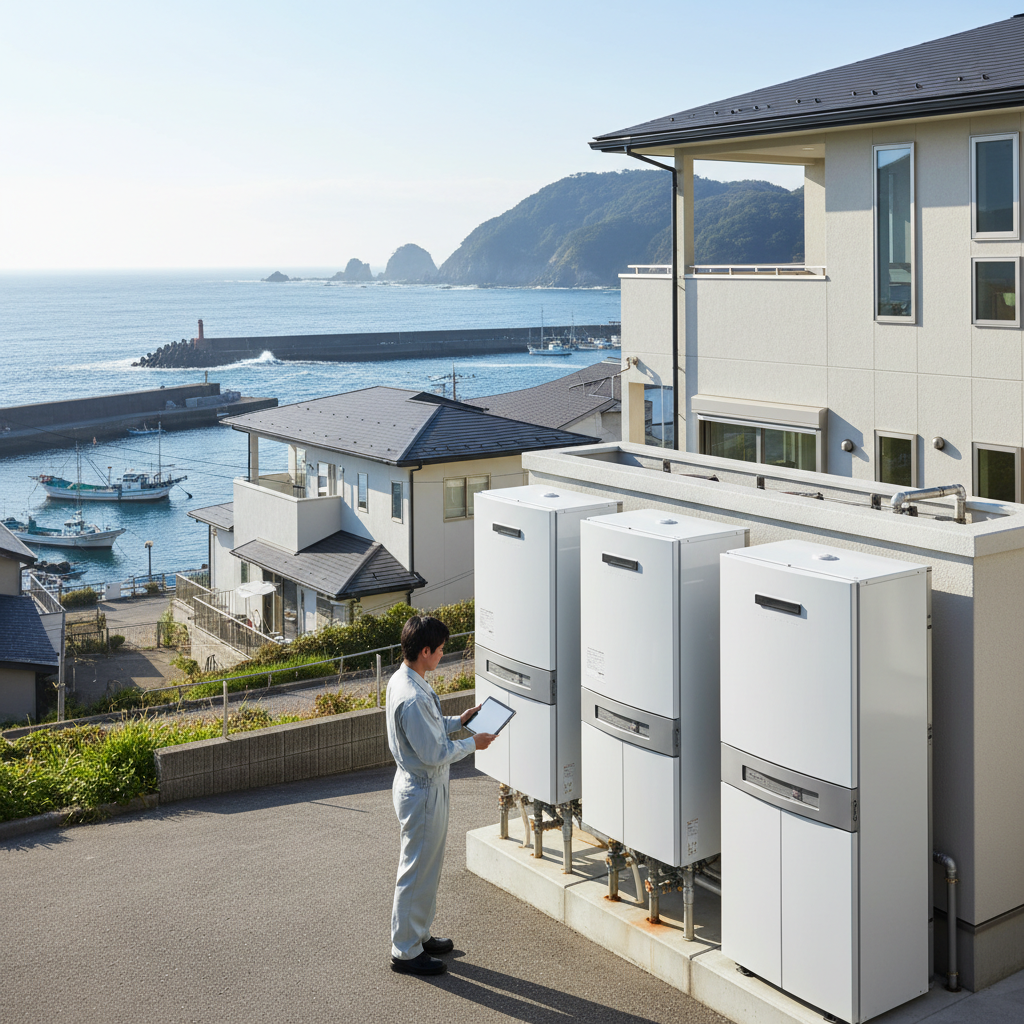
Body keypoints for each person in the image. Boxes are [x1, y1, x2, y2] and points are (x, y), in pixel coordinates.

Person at [386, 615, 496, 976]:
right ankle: (405, 951)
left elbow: (430, 730)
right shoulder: (413, 697)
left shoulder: (406, 681)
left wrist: (459, 721)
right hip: (423, 788)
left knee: (426, 867)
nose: (443, 655)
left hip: (422, 785)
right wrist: (472, 743)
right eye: (440, 650)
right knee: (416, 869)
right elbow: (433, 752)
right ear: (425, 651)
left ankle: (418, 936)